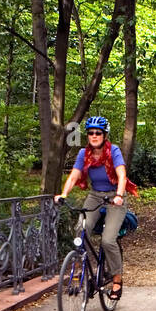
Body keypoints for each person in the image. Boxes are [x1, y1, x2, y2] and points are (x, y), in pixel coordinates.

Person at [55, 115, 138, 299]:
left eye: (98, 133)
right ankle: (79, 270)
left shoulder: (113, 151)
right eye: (90, 133)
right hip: (95, 196)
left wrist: (118, 195)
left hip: (115, 196)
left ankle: (117, 279)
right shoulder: (84, 154)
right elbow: (74, 176)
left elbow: (122, 176)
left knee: (108, 240)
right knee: (80, 230)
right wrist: (64, 194)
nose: (94, 136)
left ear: (104, 135)